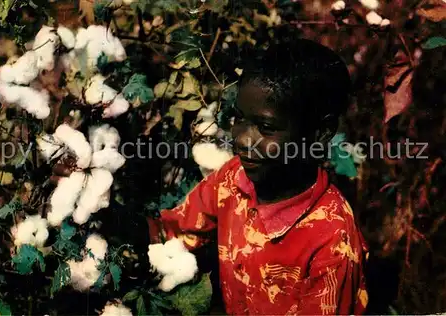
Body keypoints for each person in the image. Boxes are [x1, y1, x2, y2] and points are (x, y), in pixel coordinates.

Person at [148, 38, 369, 315]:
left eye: (265, 127)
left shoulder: (332, 241)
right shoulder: (233, 179)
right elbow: (172, 232)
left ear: (321, 133)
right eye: (239, 119)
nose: (242, 140)